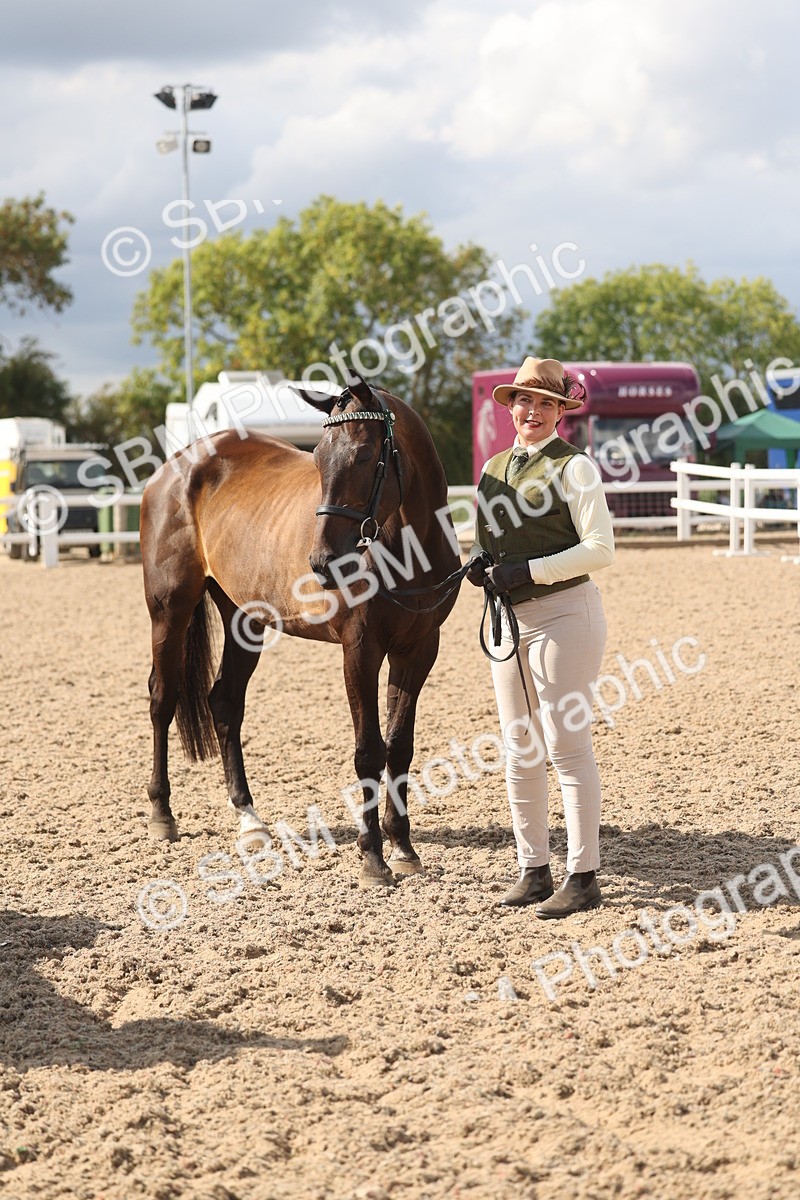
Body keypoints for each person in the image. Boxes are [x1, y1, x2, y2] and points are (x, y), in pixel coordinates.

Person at [467, 357, 614, 918]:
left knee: (567, 748)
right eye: (524, 401)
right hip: (510, 620)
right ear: (510, 408)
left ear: (560, 413)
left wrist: (529, 571)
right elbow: (491, 537)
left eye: (546, 403)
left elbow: (601, 548)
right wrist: (482, 562)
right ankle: (534, 868)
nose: (532, 411)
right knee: (519, 747)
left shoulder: (575, 468)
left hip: (564, 615)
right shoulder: (494, 469)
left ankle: (583, 876)